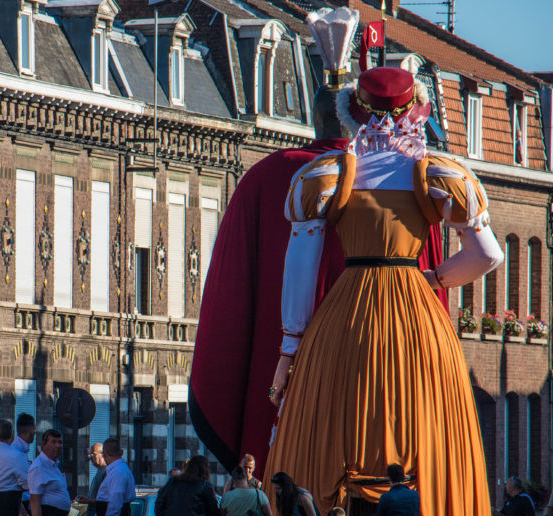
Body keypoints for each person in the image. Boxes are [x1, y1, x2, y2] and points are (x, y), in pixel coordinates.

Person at [265, 63, 502, 516]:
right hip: (418, 319)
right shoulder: (438, 173)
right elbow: (489, 255)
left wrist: (289, 349)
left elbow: (297, 271)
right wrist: (436, 279)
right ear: (418, 107)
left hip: (345, 317)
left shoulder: (330, 175)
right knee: (432, 428)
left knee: (326, 428)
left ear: (355, 109)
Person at [190, 6, 448, 476]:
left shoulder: (269, 178)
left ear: (317, 119)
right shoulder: (413, 177)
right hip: (389, 348)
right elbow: (454, 268)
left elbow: (233, 298)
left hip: (297, 356)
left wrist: (286, 349)